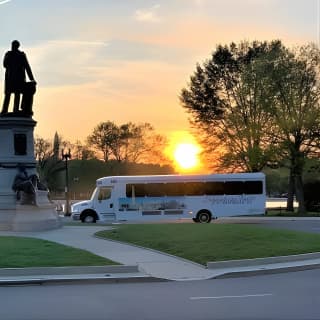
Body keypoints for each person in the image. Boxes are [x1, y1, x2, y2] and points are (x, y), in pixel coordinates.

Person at [1, 40, 36, 114]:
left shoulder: (20, 55)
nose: (13, 47)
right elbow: (4, 64)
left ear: (17, 46)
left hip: (16, 78)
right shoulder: (10, 54)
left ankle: (14, 110)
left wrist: (32, 79)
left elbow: (27, 67)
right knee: (8, 94)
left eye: (14, 45)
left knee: (16, 94)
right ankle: (5, 110)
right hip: (11, 78)